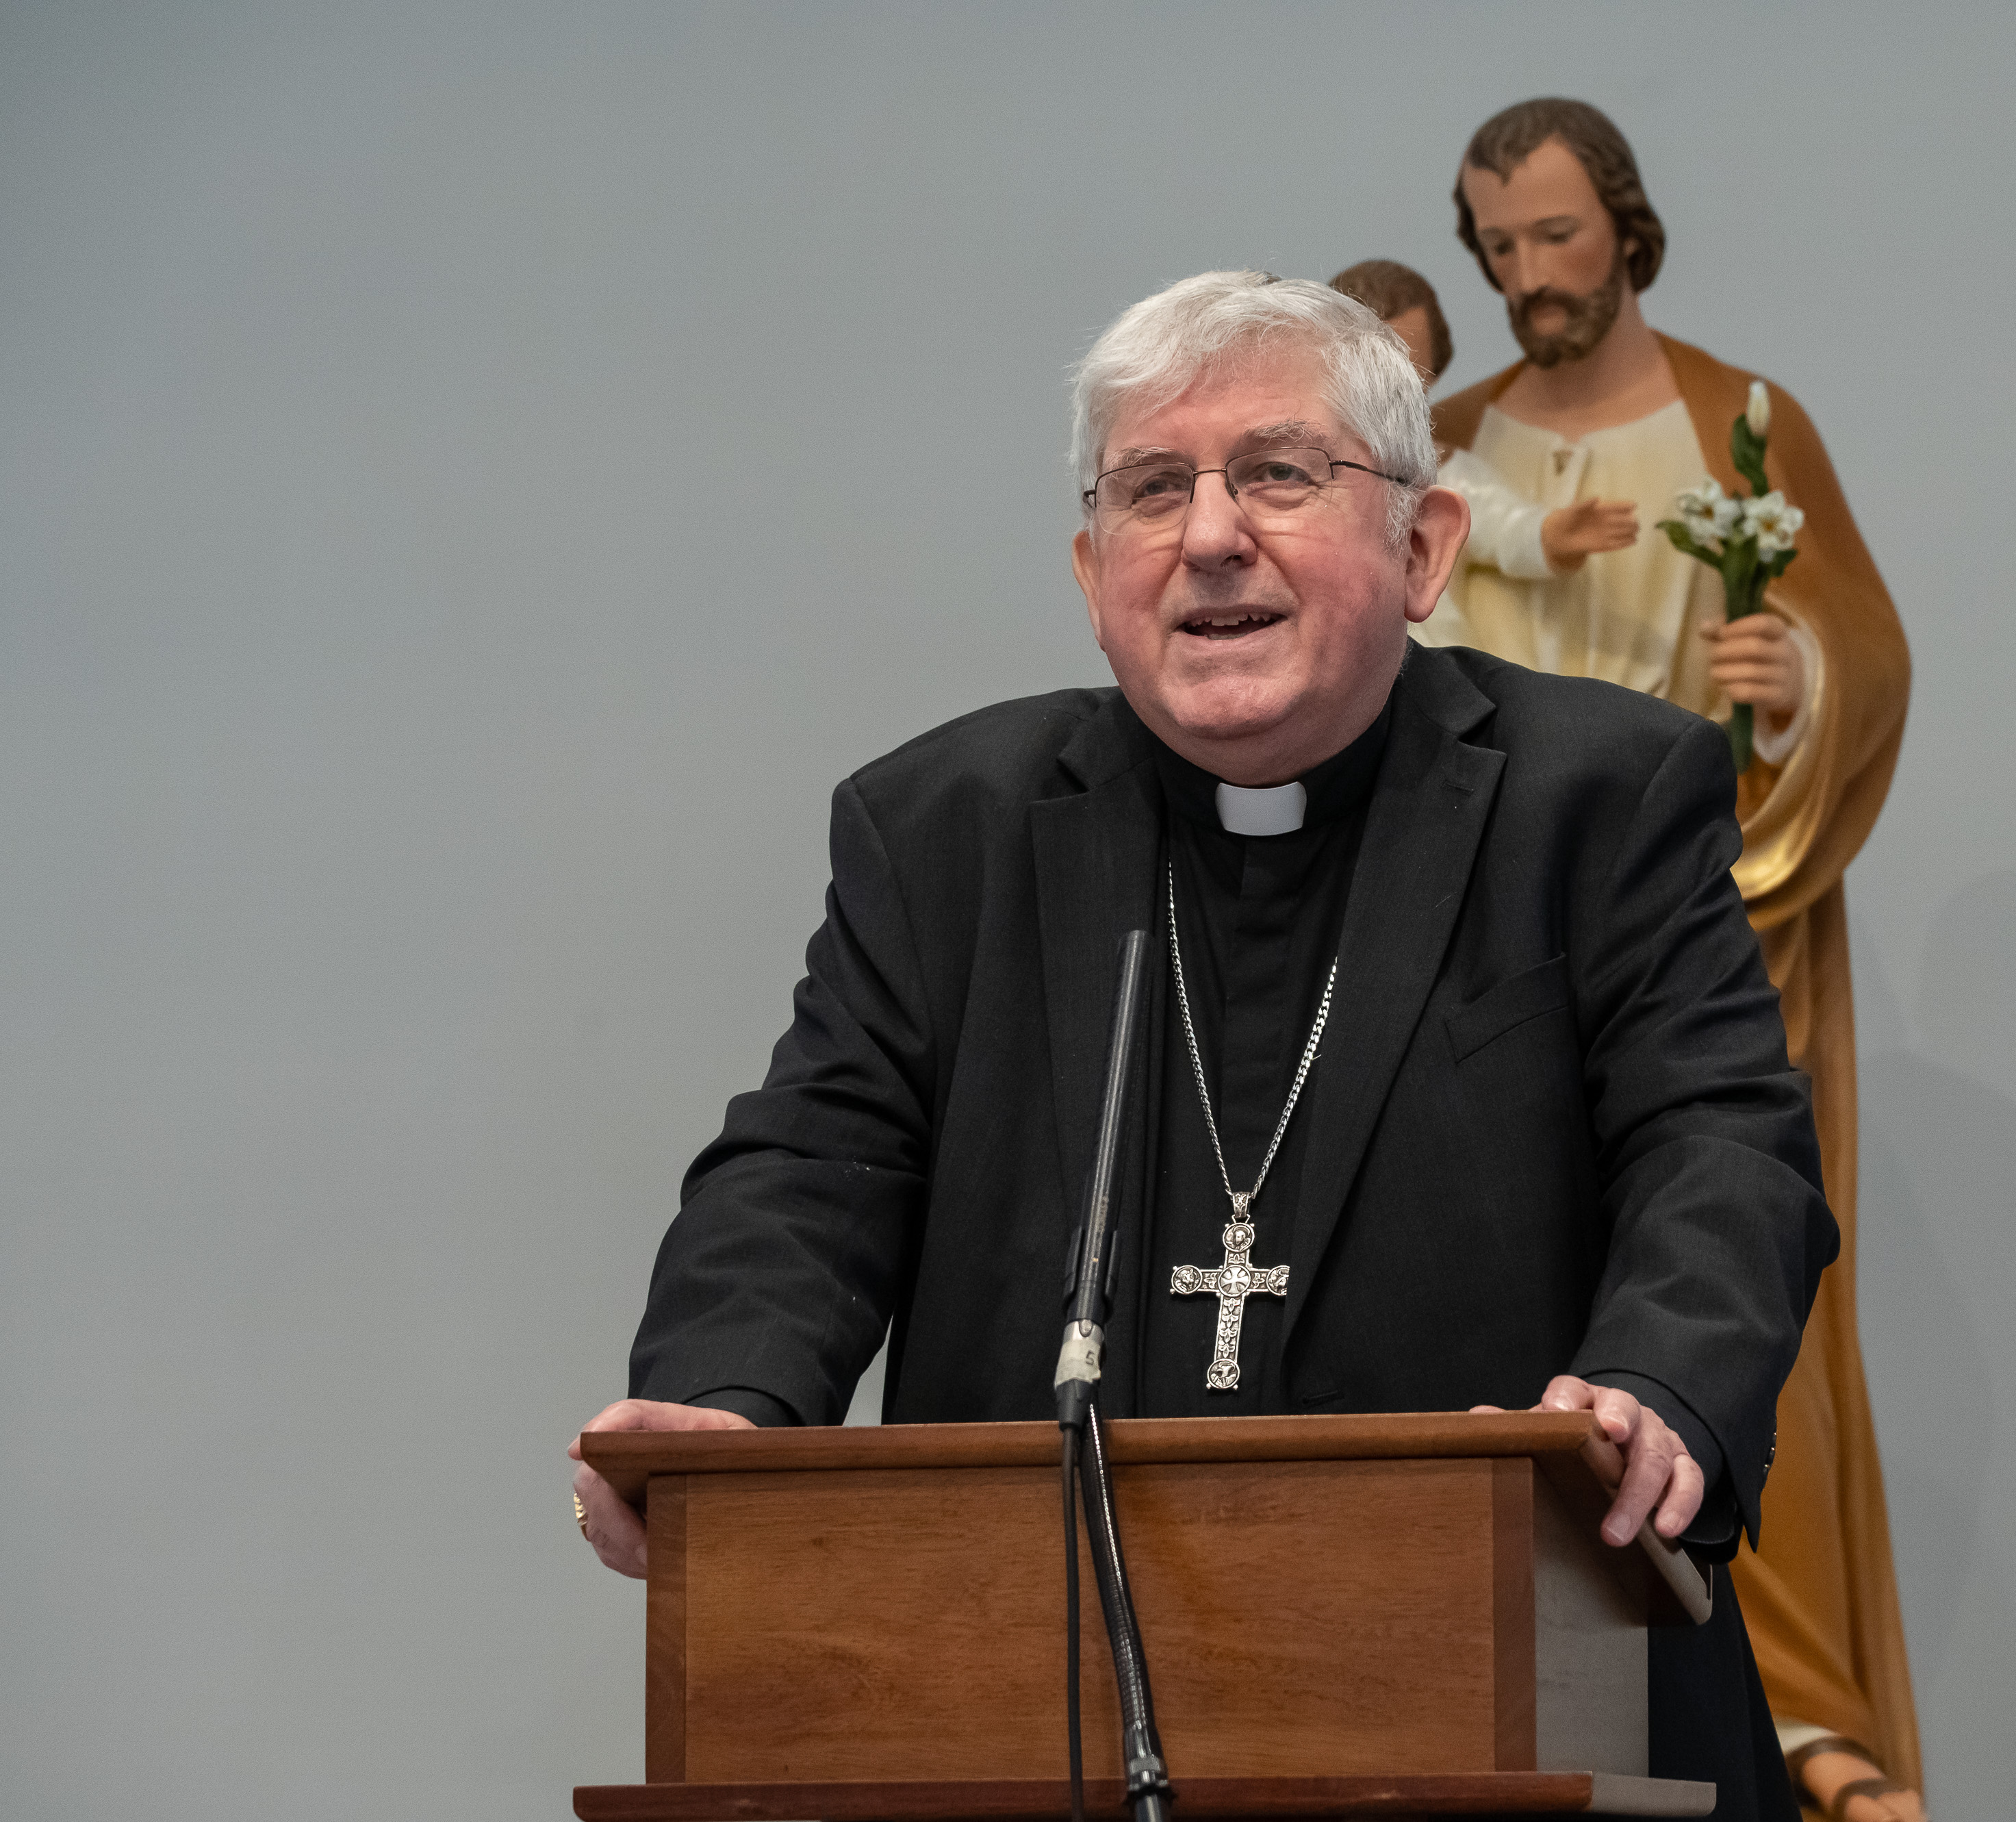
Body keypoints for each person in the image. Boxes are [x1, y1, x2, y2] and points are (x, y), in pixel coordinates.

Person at [567, 270, 1837, 1822]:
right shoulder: (946, 836)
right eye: (1153, 490)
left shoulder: (1596, 802)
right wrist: (724, 1397)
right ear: (1095, 564)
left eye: (1279, 474)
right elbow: (815, 1157)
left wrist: (1654, 1384)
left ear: (1425, 547)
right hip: (1029, 1724)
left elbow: (1721, 1144)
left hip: (1534, 1710)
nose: (1211, 534)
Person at [1431, 100, 1922, 1822]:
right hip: (1478, 964)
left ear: (1626, 228)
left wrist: (1801, 682)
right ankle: (1481, 1689)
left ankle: (1789, 1713)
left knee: (1714, 1305)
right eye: (1496, 248)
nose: (1527, 278)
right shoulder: (1446, 444)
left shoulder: (1737, 423)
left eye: (1555, 237)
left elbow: (1854, 642)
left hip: (1694, 933)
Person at [1327, 257, 1637, 594]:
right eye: (1376, 381)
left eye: (1415, 384)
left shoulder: (1446, 476)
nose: (1395, 401)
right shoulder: (1305, 462)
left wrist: (1547, 536)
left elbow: (1501, 525)